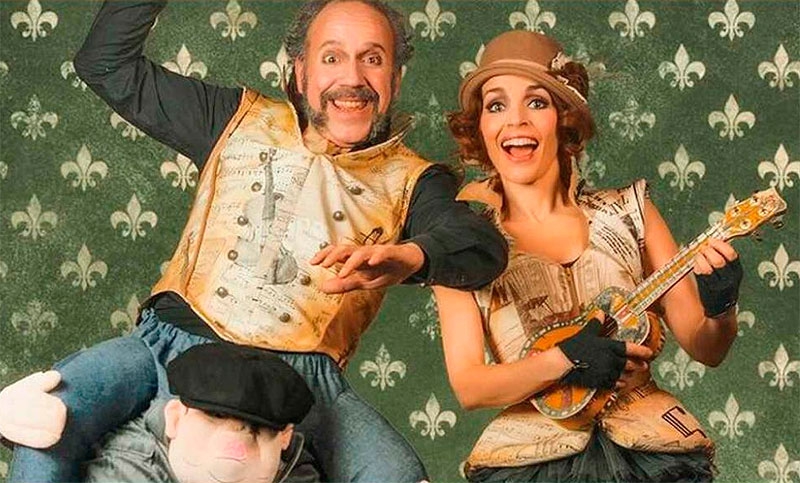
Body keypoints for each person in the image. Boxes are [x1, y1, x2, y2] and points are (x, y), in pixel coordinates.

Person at [0, 1, 508, 482]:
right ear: (300, 72)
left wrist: (411, 256)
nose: (352, 78)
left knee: (396, 474)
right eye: (332, 57)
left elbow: (481, 247)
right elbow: (106, 65)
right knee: (47, 414)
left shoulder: (414, 179)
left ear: (395, 79)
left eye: (372, 59)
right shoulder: (231, 117)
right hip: (166, 347)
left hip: (305, 380)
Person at [434, 30, 743, 482]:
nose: (515, 120)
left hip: (648, 450)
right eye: (496, 105)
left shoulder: (632, 213)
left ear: (565, 120)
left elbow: (706, 347)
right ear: (479, 126)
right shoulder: (459, 242)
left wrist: (722, 307)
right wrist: (564, 360)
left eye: (536, 102)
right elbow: (470, 386)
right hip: (531, 462)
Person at [86, 342, 317, 483]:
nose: (237, 445)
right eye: (216, 416)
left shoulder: (293, 466)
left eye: (257, 429)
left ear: (285, 438)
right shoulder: (132, 467)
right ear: (175, 418)